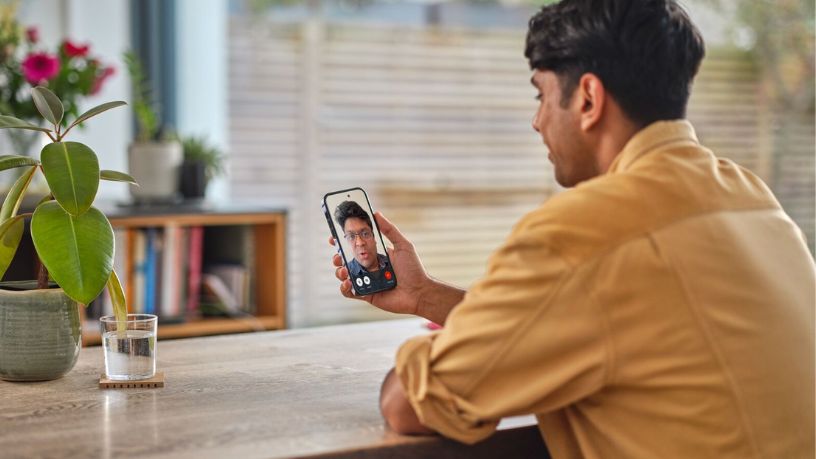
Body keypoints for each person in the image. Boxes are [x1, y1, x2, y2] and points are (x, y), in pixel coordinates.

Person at [329, 0, 816, 457]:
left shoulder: (584, 230)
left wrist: (442, 353)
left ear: (588, 98)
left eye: (541, 96)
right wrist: (424, 295)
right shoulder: (749, 197)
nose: (536, 121)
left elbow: (410, 405)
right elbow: (587, 324)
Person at [334, 200, 390, 279]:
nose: (360, 243)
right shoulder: (347, 273)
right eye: (351, 236)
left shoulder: (394, 263)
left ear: (374, 237)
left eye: (365, 234)